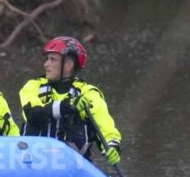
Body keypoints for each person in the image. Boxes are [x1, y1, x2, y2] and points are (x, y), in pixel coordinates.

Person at [19, 36, 122, 165]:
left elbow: (106, 128)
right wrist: (67, 106)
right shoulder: (33, 87)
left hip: (73, 167)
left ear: (68, 65)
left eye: (52, 60)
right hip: (33, 164)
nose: (46, 64)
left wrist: (112, 146)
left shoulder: (88, 93)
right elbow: (33, 114)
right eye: (47, 59)